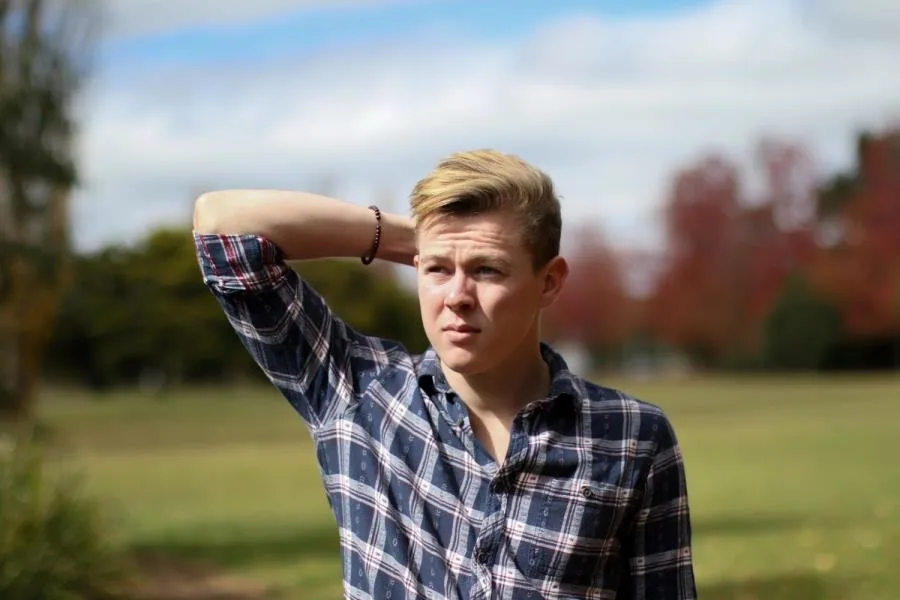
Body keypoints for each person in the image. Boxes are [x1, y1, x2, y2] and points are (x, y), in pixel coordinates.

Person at [192, 149, 697, 599]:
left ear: (549, 281)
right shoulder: (356, 391)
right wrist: (413, 235)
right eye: (435, 270)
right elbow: (220, 225)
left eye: (486, 269)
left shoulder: (633, 436)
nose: (456, 296)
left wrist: (445, 246)